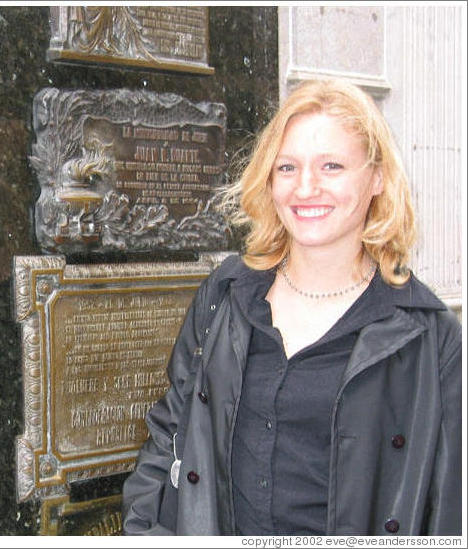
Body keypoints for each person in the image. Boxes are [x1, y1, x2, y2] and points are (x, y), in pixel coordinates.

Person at [121, 79, 462, 536]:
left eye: (332, 166)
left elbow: (447, 505)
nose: (306, 187)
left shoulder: (428, 337)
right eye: (287, 167)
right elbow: (170, 433)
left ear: (377, 177)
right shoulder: (226, 296)